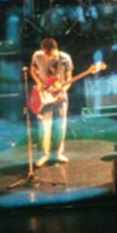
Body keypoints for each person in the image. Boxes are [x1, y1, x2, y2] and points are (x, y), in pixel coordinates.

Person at [30, 37, 73, 167]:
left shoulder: (65, 58)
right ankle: (44, 154)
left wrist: (64, 89)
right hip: (45, 96)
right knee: (44, 126)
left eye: (51, 54)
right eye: (46, 54)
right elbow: (33, 70)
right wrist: (39, 83)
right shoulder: (37, 56)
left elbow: (69, 77)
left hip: (60, 95)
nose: (48, 57)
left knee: (60, 126)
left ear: (56, 49)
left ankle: (57, 153)